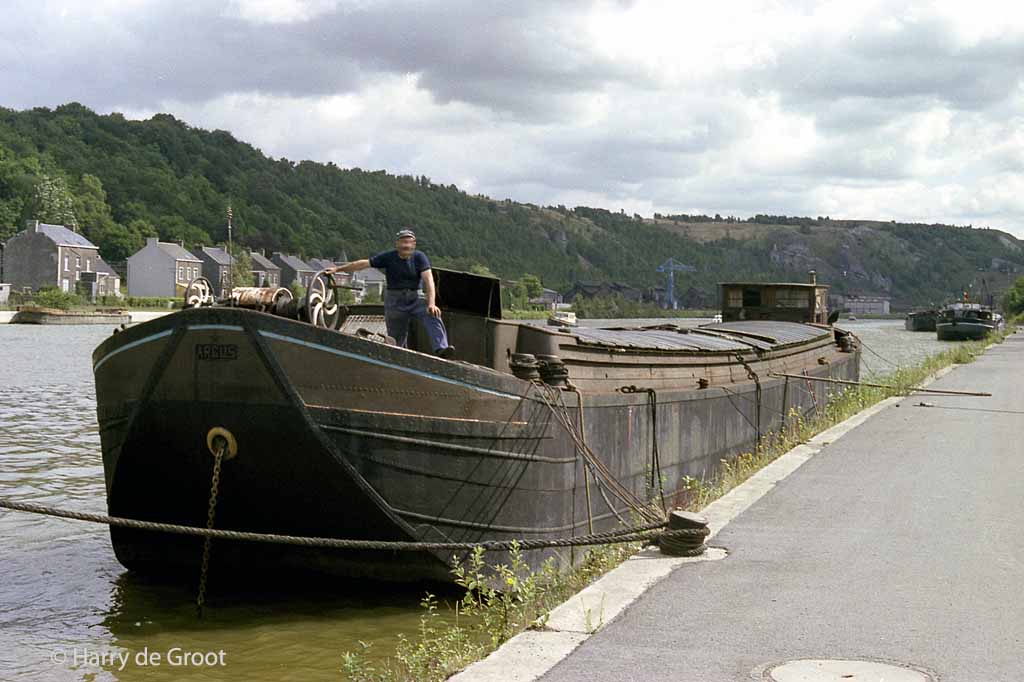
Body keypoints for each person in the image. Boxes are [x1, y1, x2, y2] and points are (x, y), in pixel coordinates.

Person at [328, 229, 455, 359]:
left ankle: (441, 349)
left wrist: (431, 304)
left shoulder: (419, 257)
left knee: (432, 314)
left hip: (415, 298)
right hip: (394, 300)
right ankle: (399, 358)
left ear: (414, 244)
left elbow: (429, 280)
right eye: (403, 242)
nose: (406, 245)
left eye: (409, 242)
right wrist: (337, 269)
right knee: (396, 338)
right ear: (397, 244)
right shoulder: (388, 257)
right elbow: (362, 264)